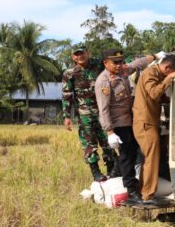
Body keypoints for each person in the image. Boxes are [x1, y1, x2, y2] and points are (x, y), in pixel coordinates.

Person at [95, 49, 158, 203]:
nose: (119, 65)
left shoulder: (122, 71)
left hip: (130, 119)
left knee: (133, 152)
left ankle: (118, 176)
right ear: (105, 63)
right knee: (127, 156)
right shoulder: (103, 81)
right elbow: (103, 109)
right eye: (115, 62)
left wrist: (155, 57)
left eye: (121, 62)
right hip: (118, 124)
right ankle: (130, 190)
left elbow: (137, 63)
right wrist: (109, 132)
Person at [62, 44, 118, 182]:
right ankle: (96, 173)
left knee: (107, 141)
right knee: (89, 143)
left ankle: (112, 170)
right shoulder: (69, 73)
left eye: (82, 53)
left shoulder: (99, 64)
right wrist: (67, 116)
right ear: (72, 57)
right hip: (84, 113)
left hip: (102, 111)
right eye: (76, 54)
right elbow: (67, 94)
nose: (79, 56)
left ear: (87, 53)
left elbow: (113, 64)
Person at [133, 55, 175, 204]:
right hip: (145, 123)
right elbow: (154, 93)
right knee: (151, 159)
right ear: (168, 68)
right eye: (171, 72)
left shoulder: (156, 74)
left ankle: (143, 190)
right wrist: (169, 79)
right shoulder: (150, 73)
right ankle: (147, 195)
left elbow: (158, 96)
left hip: (149, 122)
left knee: (150, 159)